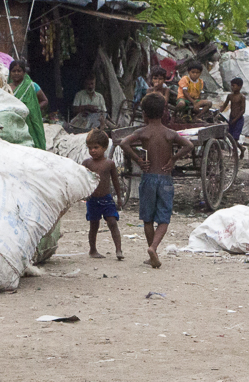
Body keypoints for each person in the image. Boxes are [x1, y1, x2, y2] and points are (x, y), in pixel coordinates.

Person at [119, 94, 193, 268]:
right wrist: (174, 158)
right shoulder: (170, 133)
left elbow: (124, 143)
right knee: (163, 219)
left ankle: (152, 250)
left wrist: (138, 159)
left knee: (147, 219)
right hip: (165, 179)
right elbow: (189, 145)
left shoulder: (142, 132)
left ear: (144, 113)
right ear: (164, 113)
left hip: (148, 178)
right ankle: (153, 248)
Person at [82, 129, 124, 260]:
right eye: (90, 148)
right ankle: (92, 250)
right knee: (94, 225)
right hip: (92, 199)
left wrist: (119, 197)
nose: (92, 150)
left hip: (106, 199)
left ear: (105, 148)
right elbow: (82, 180)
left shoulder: (109, 164)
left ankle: (118, 250)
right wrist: (83, 194)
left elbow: (116, 182)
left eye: (96, 147)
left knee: (112, 222)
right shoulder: (87, 163)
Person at [8, 59, 49, 150]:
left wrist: (33, 109)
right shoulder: (6, 87)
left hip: (29, 120)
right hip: (12, 121)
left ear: (24, 72)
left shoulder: (31, 86)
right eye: (14, 71)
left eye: (19, 71)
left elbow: (44, 101)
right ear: (10, 73)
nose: (16, 73)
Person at [217, 77, 247, 150]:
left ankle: (236, 152)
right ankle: (241, 148)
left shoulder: (241, 97)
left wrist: (236, 119)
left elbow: (243, 110)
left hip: (239, 120)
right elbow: (224, 105)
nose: (232, 87)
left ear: (240, 87)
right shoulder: (230, 96)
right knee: (230, 137)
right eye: (231, 86)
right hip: (231, 118)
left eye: (234, 86)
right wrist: (218, 112)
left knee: (235, 138)